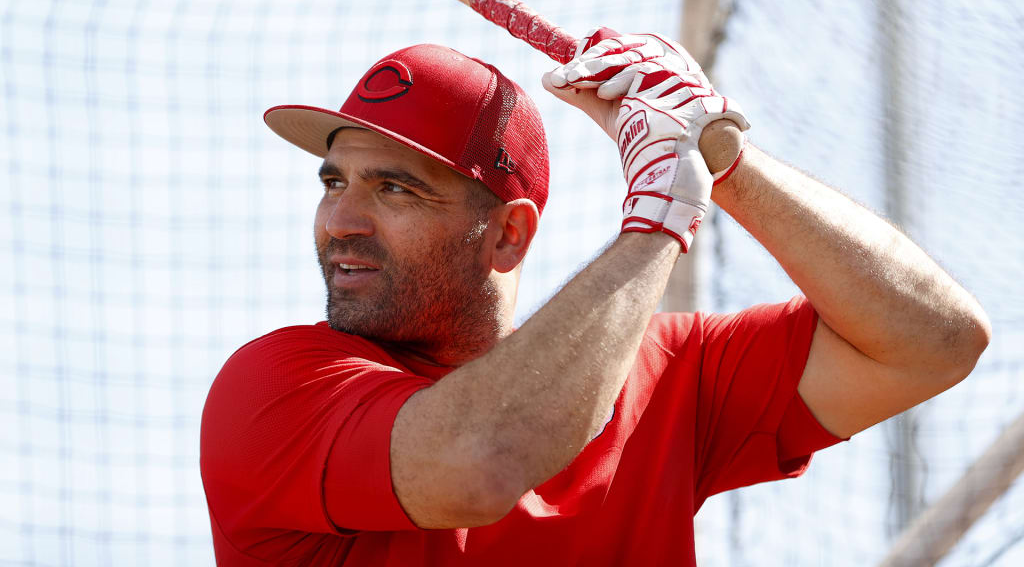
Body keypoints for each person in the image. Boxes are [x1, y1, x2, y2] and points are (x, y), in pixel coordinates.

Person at [200, 31, 990, 566]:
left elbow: (937, 339)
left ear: (509, 235)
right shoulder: (277, 384)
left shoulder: (664, 372)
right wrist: (660, 217)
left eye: (394, 189)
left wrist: (719, 155)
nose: (340, 220)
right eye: (334, 183)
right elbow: (478, 462)